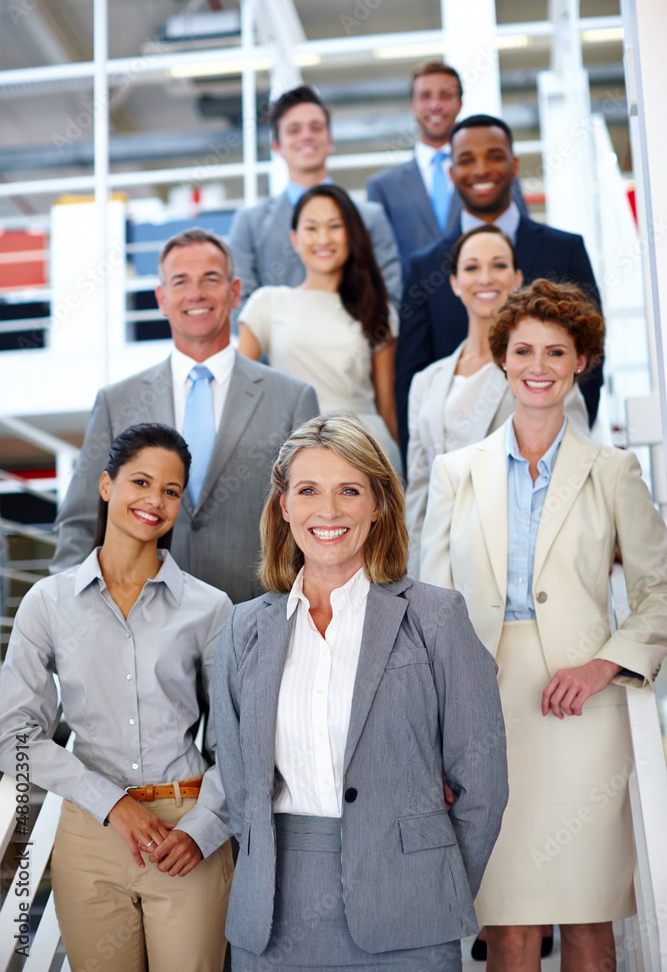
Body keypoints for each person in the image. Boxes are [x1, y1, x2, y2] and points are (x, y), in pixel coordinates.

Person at [420, 281, 667, 972]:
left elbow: (658, 590)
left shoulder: (615, 470)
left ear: (580, 361)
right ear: (501, 359)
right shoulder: (454, 473)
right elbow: (430, 608)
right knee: (507, 925)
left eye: (555, 351)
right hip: (483, 707)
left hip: (584, 707)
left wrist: (603, 664)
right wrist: (437, 727)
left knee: (589, 918)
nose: (538, 364)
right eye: (522, 349)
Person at [213, 412, 508, 971]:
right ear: (284, 507)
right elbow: (240, 786)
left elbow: (484, 785)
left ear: (378, 504)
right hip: (273, 916)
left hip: (410, 909)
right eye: (308, 491)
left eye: (349, 490)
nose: (328, 511)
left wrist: (432, 886)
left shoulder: (436, 619)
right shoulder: (243, 628)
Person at [0, 423, 234, 972]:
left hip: (188, 829)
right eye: (141, 481)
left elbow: (238, 742)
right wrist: (113, 804)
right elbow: (13, 735)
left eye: (171, 491)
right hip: (91, 832)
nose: (154, 500)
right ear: (106, 486)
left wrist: (204, 829)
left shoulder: (210, 608)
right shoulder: (48, 603)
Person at [50, 228, 318, 604]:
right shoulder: (116, 402)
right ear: (162, 298)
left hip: (258, 622)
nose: (196, 293)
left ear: (235, 292)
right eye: (181, 281)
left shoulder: (292, 398)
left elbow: (312, 518)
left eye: (211, 279)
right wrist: (74, 615)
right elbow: (79, 523)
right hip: (139, 629)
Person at [395, 114, 603, 461]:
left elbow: (591, 359)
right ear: (451, 173)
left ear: (514, 164)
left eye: (494, 155)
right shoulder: (424, 266)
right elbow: (409, 376)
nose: (481, 169)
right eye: (466, 159)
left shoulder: (564, 250)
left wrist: (565, 453)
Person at [405, 225, 589, 576]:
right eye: (472, 267)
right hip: (444, 559)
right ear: (456, 283)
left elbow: (574, 468)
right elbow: (419, 489)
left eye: (499, 265)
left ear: (518, 278)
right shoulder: (426, 382)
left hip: (521, 559)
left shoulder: (541, 371)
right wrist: (414, 577)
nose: (485, 278)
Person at [237, 184, 400, 471]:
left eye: (335, 226)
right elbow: (239, 395)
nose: (323, 238)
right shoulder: (267, 303)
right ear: (295, 239)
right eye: (311, 228)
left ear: (351, 234)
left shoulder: (378, 308)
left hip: (367, 449)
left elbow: (386, 405)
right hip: (298, 450)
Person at [228, 85, 401, 310]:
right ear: (277, 147)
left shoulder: (370, 218)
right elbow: (238, 306)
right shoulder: (249, 223)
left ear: (330, 141)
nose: (307, 136)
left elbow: (390, 298)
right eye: (294, 130)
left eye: (316, 127)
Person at [367, 61, 527, 270]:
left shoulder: (495, 174)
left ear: (460, 104)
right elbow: (379, 261)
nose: (435, 105)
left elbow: (523, 239)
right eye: (425, 96)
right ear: (412, 105)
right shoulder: (383, 186)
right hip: (414, 299)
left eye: (445, 95)